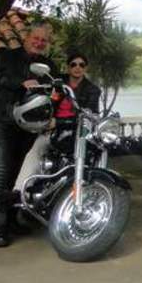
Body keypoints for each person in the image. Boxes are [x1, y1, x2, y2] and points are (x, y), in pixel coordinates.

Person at [0, 22, 57, 248]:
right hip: (4, 122)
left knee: (18, 176)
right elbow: (1, 79)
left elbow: (53, 91)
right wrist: (22, 82)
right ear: (26, 37)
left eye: (43, 40)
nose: (39, 42)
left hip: (29, 127)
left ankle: (12, 221)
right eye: (36, 38)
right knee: (1, 173)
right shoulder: (7, 56)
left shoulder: (47, 64)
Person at [14, 52, 101, 194]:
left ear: (85, 68)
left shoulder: (92, 90)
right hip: (51, 129)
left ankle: (90, 191)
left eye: (81, 65)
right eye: (73, 64)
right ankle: (19, 191)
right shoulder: (58, 83)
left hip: (77, 132)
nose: (77, 68)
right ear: (68, 67)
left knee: (91, 157)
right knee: (34, 152)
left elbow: (90, 116)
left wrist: (59, 122)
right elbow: (47, 103)